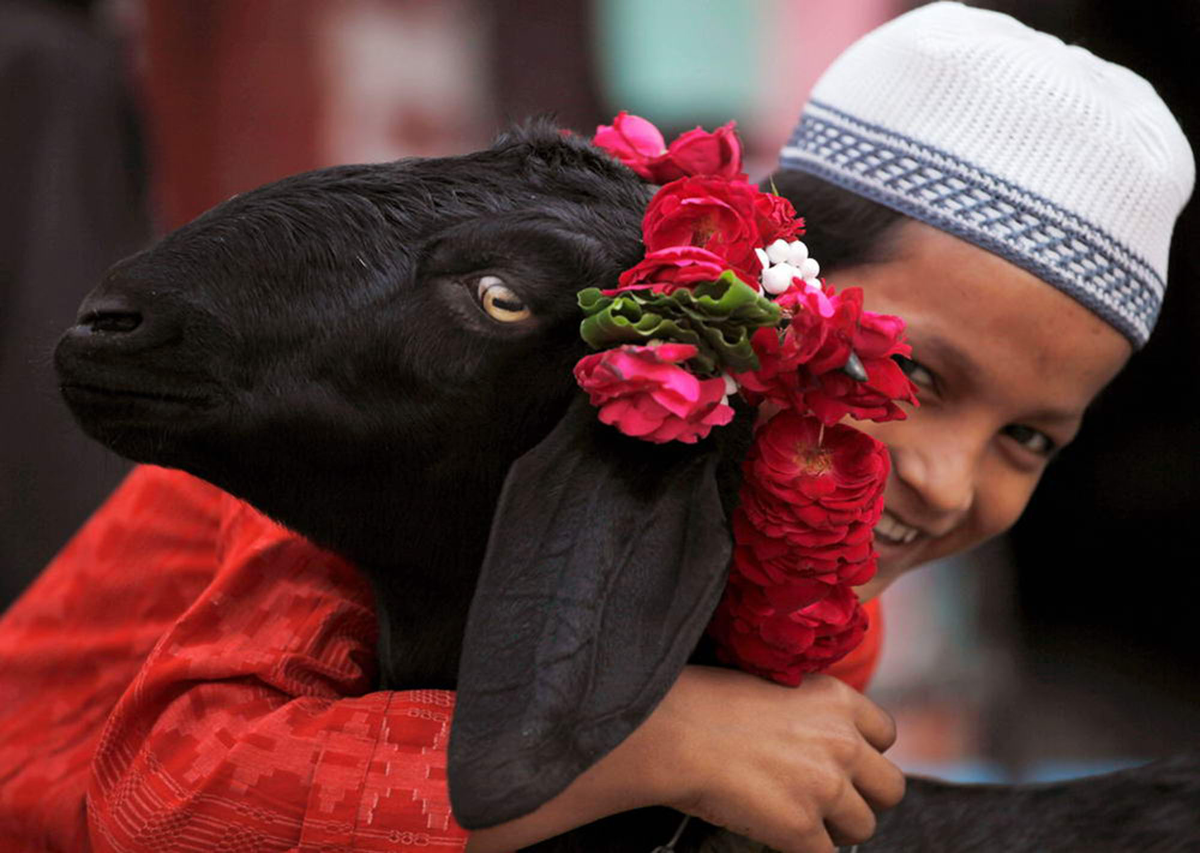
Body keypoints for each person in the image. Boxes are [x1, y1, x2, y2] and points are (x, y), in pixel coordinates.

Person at [0, 3, 1191, 852]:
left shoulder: (814, 593)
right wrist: (647, 746)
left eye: (1028, 439)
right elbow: (163, 802)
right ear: (767, 287)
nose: (945, 477)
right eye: (919, 373)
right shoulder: (428, 428)